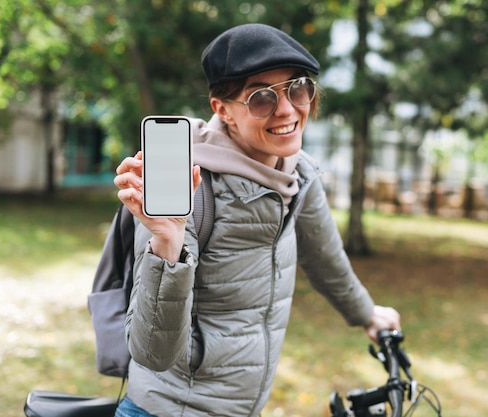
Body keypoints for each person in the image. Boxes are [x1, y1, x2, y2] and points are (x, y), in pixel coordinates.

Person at [113, 23, 401, 417]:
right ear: (223, 110)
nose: (287, 110)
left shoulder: (297, 174)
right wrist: (167, 242)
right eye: (262, 97)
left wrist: (367, 314)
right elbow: (153, 354)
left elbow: (325, 260)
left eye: (298, 88)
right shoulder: (188, 185)